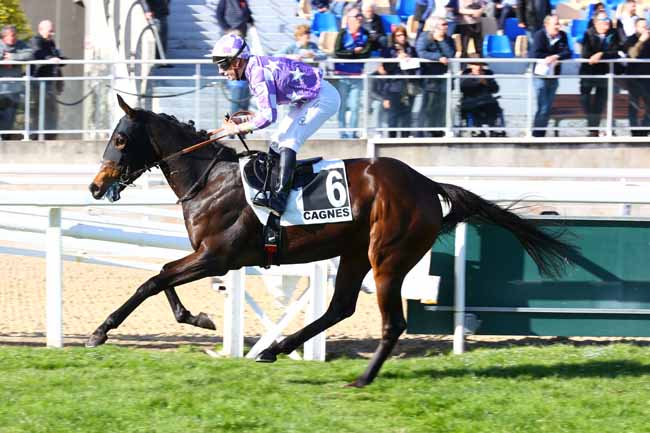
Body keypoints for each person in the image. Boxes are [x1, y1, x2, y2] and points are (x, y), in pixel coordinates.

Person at [212, 33, 341, 217]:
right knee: (276, 141)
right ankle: (272, 189)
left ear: (238, 61)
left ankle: (280, 199)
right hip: (309, 98)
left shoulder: (257, 73)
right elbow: (264, 113)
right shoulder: (253, 69)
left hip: (323, 97)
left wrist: (237, 129)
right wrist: (241, 121)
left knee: (289, 140)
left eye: (223, 64)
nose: (221, 71)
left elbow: (268, 117)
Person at [580, 12, 621, 136]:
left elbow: (616, 52)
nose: (606, 23)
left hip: (604, 74)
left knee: (599, 103)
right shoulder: (588, 33)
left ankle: (594, 131)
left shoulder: (613, 34)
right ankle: (593, 128)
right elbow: (586, 54)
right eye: (603, 21)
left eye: (608, 20)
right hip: (588, 73)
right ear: (596, 22)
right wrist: (601, 54)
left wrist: (601, 54)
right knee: (585, 100)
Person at [333, 8, 372, 139]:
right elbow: (338, 52)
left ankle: (353, 132)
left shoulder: (365, 33)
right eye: (356, 16)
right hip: (342, 75)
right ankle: (343, 133)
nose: (360, 18)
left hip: (357, 75)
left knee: (355, 106)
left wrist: (351, 53)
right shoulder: (343, 33)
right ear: (349, 19)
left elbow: (366, 52)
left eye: (360, 15)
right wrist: (354, 52)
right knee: (342, 105)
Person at [531, 15, 572, 137]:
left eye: (558, 23)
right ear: (547, 25)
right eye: (555, 24)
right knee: (542, 106)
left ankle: (540, 133)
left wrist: (556, 57)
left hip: (554, 75)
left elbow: (568, 52)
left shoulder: (562, 35)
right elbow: (535, 53)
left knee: (548, 107)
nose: (558, 26)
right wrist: (549, 57)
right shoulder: (539, 35)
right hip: (540, 76)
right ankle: (537, 134)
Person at [415, 16, 456, 136]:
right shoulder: (425, 37)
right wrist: (437, 57)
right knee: (428, 106)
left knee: (441, 106)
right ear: (436, 26)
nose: (446, 27)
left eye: (446, 24)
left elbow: (450, 53)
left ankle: (438, 132)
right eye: (443, 24)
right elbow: (421, 51)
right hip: (429, 78)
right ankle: (421, 132)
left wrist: (441, 41)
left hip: (443, 78)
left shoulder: (448, 39)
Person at [382, 26, 419, 137]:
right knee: (393, 115)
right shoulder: (389, 50)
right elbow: (387, 67)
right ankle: (391, 138)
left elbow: (417, 66)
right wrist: (397, 60)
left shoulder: (411, 49)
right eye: (399, 35)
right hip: (394, 86)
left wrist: (409, 60)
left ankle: (405, 136)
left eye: (403, 35)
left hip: (408, 86)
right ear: (394, 37)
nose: (402, 38)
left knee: (407, 114)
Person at [0, 25, 33, 140]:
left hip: (14, 89)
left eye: (15, 35)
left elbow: (29, 54)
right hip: (1, 89)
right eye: (12, 35)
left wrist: (13, 57)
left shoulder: (20, 44)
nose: (14, 38)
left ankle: (5, 139)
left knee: (10, 117)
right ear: (4, 36)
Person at [460, 55, 502, 136]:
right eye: (475, 65)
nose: (478, 67)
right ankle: (477, 130)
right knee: (475, 107)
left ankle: (493, 129)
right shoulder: (466, 74)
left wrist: (486, 82)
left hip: (487, 100)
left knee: (493, 106)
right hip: (471, 100)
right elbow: (464, 88)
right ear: (471, 66)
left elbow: (495, 89)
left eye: (480, 65)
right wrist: (478, 81)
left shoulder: (488, 74)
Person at [623, 17, 650, 135]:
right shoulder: (630, 39)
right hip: (634, 79)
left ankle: (645, 129)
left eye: (646, 26)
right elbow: (632, 54)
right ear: (636, 28)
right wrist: (641, 41)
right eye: (642, 27)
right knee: (634, 106)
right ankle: (634, 131)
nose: (645, 29)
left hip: (648, 79)